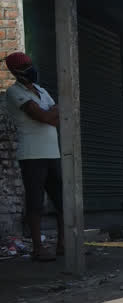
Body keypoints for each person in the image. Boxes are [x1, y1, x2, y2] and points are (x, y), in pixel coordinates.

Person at [4, 52, 63, 261]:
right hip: (32, 155)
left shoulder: (41, 91)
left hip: (52, 153)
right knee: (35, 203)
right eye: (25, 66)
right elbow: (45, 116)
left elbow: (55, 120)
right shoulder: (14, 92)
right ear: (15, 71)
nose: (30, 69)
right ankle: (38, 248)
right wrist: (54, 111)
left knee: (62, 201)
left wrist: (51, 113)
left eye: (30, 64)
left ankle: (63, 246)